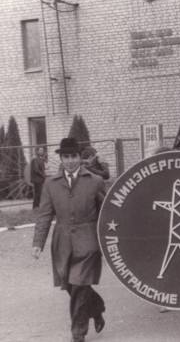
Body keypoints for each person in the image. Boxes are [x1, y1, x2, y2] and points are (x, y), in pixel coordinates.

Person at [32, 137, 107, 342]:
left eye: (74, 156)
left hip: (88, 239)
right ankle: (96, 307)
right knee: (71, 285)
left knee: (80, 283)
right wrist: (37, 243)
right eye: (66, 157)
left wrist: (108, 242)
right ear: (61, 159)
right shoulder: (50, 184)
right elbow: (45, 215)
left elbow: (107, 213)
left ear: (80, 158)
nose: (70, 161)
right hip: (62, 241)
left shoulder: (95, 181)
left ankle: (78, 332)